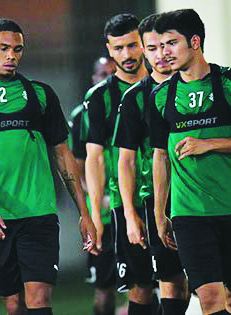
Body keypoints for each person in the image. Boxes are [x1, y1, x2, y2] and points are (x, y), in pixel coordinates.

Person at [0, 18, 98, 315]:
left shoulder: (41, 94)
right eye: (3, 48)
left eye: (17, 49)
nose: (11, 55)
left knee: (39, 299)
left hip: (38, 215)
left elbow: (63, 155)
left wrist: (84, 212)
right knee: (14, 305)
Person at [149, 9, 231, 315]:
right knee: (210, 298)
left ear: (195, 42)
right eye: (160, 45)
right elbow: (160, 156)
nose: (164, 53)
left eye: (172, 43)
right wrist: (159, 212)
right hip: (189, 214)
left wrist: (210, 144)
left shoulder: (230, 82)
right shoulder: (161, 96)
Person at [112, 13, 190, 315]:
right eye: (153, 47)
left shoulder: (198, 86)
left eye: (166, 45)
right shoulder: (134, 99)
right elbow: (126, 160)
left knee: (216, 285)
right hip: (156, 198)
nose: (161, 54)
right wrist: (131, 215)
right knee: (166, 280)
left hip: (200, 196)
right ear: (145, 50)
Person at [84, 13, 154, 315]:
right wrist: (97, 216)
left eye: (132, 45)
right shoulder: (100, 97)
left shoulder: (165, 85)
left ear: (143, 44)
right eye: (118, 48)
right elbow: (94, 158)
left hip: (174, 198)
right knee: (140, 286)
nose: (126, 54)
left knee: (180, 282)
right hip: (129, 203)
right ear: (110, 51)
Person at [69, 56, 117, 315]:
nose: (107, 78)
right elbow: (77, 168)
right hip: (103, 217)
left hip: (131, 209)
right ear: (93, 79)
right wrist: (100, 198)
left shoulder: (131, 104)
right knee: (104, 290)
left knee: (145, 286)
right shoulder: (81, 117)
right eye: (102, 74)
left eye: (112, 72)